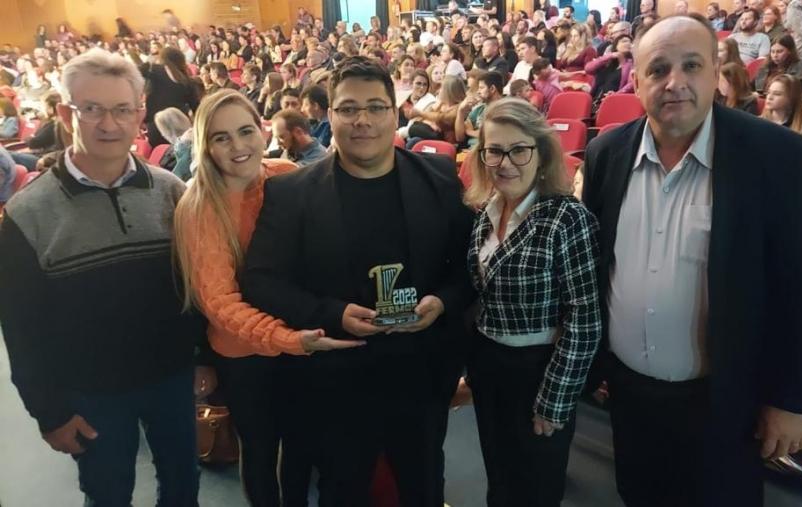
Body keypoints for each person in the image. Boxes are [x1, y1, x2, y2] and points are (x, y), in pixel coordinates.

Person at [582, 14, 802, 507]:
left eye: (691, 65)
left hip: (726, 398)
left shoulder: (777, 155)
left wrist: (792, 400)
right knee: (638, 496)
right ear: (637, 80)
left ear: (717, 72)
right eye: (658, 69)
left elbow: (800, 287)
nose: (674, 82)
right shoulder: (606, 153)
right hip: (629, 394)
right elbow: (595, 269)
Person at [241, 55, 474, 507]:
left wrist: (443, 303)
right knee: (341, 491)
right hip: (334, 380)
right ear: (329, 116)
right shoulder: (290, 193)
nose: (361, 120)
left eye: (375, 107)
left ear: (395, 113)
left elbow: (467, 269)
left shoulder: (440, 180)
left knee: (424, 487)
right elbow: (261, 281)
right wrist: (332, 314)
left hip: (420, 374)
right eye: (348, 108)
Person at [0, 48, 209, 506]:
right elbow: (20, 327)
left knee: (183, 485)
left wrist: (204, 358)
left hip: (171, 377)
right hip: (90, 392)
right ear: (65, 114)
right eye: (91, 109)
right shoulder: (27, 213)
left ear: (140, 115)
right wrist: (49, 412)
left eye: (122, 110)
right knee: (108, 494)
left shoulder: (171, 192)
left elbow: (195, 287)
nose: (109, 124)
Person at [173, 89, 358, 506]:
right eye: (221, 137)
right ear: (206, 145)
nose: (238, 146)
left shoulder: (285, 174)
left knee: (302, 441)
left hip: (301, 338)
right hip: (247, 355)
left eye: (245, 131)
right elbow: (220, 303)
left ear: (262, 130)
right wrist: (287, 339)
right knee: (260, 451)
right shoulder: (199, 206)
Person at [465, 97, 601, 507]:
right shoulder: (485, 212)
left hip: (538, 372)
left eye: (518, 150)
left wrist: (555, 399)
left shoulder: (567, 218)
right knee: (499, 479)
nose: (505, 162)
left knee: (536, 489)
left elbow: (584, 320)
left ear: (541, 154)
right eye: (494, 150)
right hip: (489, 367)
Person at [762, 75, 802, 143]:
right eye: (768, 92)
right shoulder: (759, 122)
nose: (769, 97)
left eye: (777, 94)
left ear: (791, 98)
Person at [457, 71, 504, 148]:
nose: (478, 92)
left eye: (481, 88)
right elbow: (459, 137)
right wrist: (461, 111)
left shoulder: (504, 109)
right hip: (469, 150)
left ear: (492, 89)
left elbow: (493, 135)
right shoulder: (480, 108)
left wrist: (470, 131)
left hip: (488, 150)